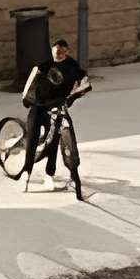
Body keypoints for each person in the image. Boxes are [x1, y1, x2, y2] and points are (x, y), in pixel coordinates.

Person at [20, 38, 89, 185]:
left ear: (67, 52)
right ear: (52, 51)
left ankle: (49, 173)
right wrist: (26, 98)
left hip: (58, 106)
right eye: (56, 52)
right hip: (40, 106)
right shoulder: (45, 65)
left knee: (55, 141)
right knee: (32, 137)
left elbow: (83, 78)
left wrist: (81, 89)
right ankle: (27, 171)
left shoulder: (72, 65)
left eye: (62, 53)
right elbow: (32, 80)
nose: (58, 55)